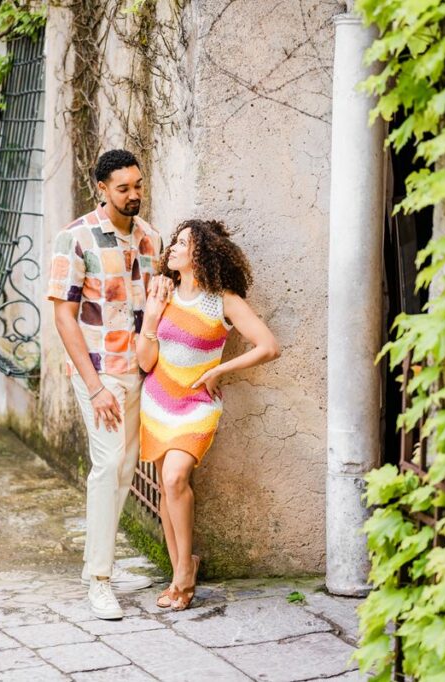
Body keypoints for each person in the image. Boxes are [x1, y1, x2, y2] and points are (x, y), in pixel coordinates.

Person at [136, 219, 280, 611]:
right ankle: (182, 567)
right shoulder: (162, 291)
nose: (174, 248)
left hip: (197, 405)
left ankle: (183, 576)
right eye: (175, 243)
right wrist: (151, 317)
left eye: (183, 243)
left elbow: (268, 346)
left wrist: (219, 370)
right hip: (158, 399)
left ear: (201, 253)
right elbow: (145, 362)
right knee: (169, 487)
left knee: (174, 476)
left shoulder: (222, 300)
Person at [47, 149, 160, 620]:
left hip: (141, 370)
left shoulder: (151, 238)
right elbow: (63, 315)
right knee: (108, 463)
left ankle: (102, 561)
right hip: (100, 371)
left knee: (126, 466)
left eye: (137, 185)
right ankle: (99, 580)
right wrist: (94, 387)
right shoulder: (75, 238)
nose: (133, 195)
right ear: (101, 188)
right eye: (123, 188)